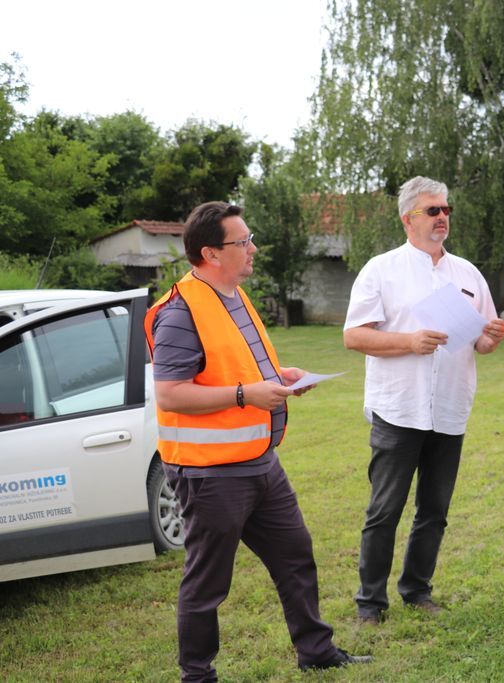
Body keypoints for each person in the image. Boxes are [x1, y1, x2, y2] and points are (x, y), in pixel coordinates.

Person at [144, 201, 370, 681]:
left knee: (296, 556)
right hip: (210, 474)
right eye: (242, 241)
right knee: (208, 584)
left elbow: (236, 365)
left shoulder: (235, 295)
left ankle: (316, 652)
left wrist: (281, 376)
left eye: (249, 238)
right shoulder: (180, 312)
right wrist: (249, 393)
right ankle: (197, 675)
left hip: (260, 463)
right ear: (210, 253)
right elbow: (170, 393)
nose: (253, 248)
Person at [343, 176, 504, 624]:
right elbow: (354, 336)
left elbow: (482, 343)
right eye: (432, 211)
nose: (442, 218)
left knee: (434, 510)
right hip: (399, 408)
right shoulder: (381, 269)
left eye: (446, 210)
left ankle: (417, 590)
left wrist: (492, 337)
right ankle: (370, 603)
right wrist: (409, 342)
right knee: (385, 510)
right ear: (408, 219)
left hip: (449, 408)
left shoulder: (468, 274)